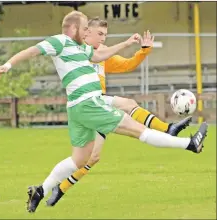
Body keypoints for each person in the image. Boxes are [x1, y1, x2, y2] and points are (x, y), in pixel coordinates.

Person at [0, 11, 208, 213]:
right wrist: (8, 64)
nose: (87, 31)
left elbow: (99, 56)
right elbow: (32, 50)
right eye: (85, 28)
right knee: (138, 130)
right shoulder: (60, 41)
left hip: (80, 108)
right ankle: (189, 143)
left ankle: (40, 190)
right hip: (89, 104)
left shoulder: (81, 48)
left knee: (80, 160)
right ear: (72, 28)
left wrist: (126, 43)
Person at [46, 17, 193, 206]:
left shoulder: (103, 54)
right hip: (89, 105)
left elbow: (127, 65)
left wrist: (144, 51)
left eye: (105, 35)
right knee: (127, 104)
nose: (103, 39)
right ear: (86, 32)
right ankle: (168, 129)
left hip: (100, 106)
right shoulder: (76, 51)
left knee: (93, 158)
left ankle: (61, 188)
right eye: (99, 34)